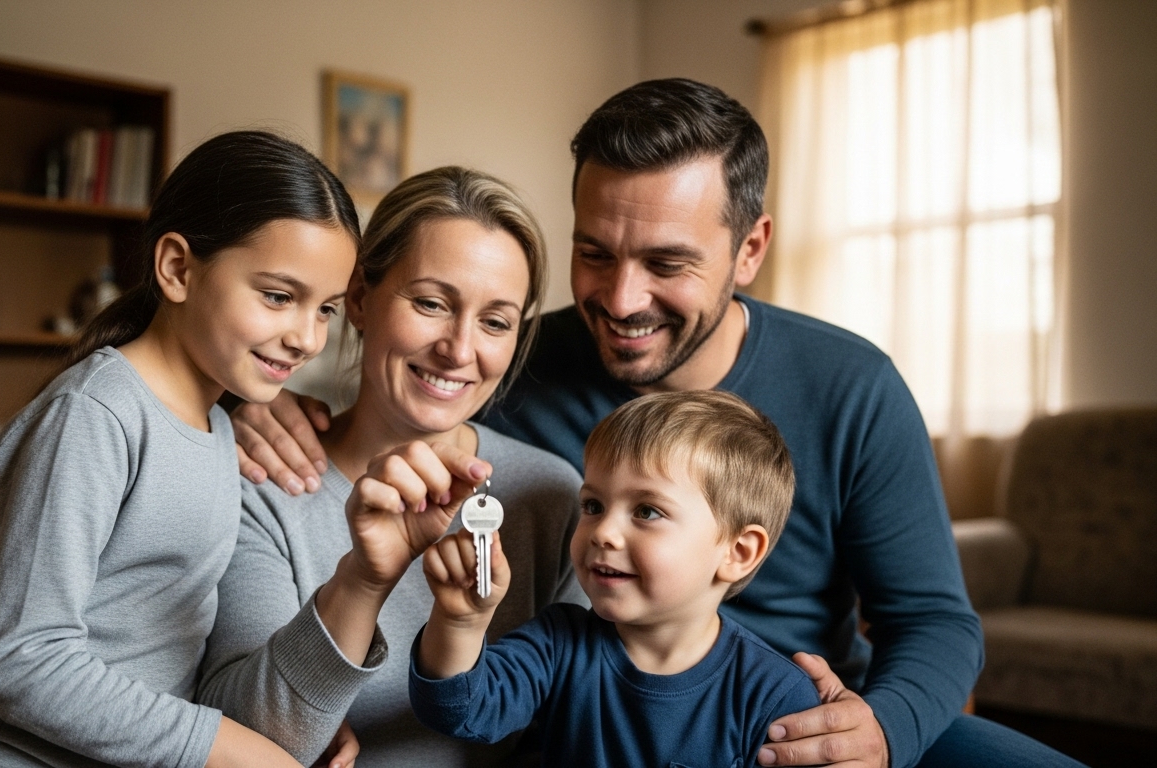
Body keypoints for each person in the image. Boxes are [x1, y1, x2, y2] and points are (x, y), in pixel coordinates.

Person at [229, 81, 1088, 768]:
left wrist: (883, 731)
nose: (621, 298)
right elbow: (403, 386)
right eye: (595, 253)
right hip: (602, 714)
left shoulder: (851, 384)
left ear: (750, 250)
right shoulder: (514, 361)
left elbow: (935, 620)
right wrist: (256, 406)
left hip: (803, 724)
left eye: (666, 262)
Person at [0, 131, 360, 768]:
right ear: (177, 268)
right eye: (278, 296)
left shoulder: (219, 427)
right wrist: (235, 752)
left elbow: (167, 644)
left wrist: (285, 726)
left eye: (327, 310)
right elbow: (22, 660)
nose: (307, 338)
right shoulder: (95, 415)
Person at [195, 166, 586, 768]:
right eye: (431, 303)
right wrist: (362, 580)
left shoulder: (552, 495)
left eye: (495, 322)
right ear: (358, 298)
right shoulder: (259, 484)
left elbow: (587, 715)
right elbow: (245, 736)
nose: (458, 350)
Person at [411, 391, 818, 766]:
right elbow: (459, 711)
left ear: (737, 552)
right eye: (593, 505)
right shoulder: (557, 643)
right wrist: (459, 621)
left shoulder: (775, 696)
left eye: (646, 511)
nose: (603, 532)